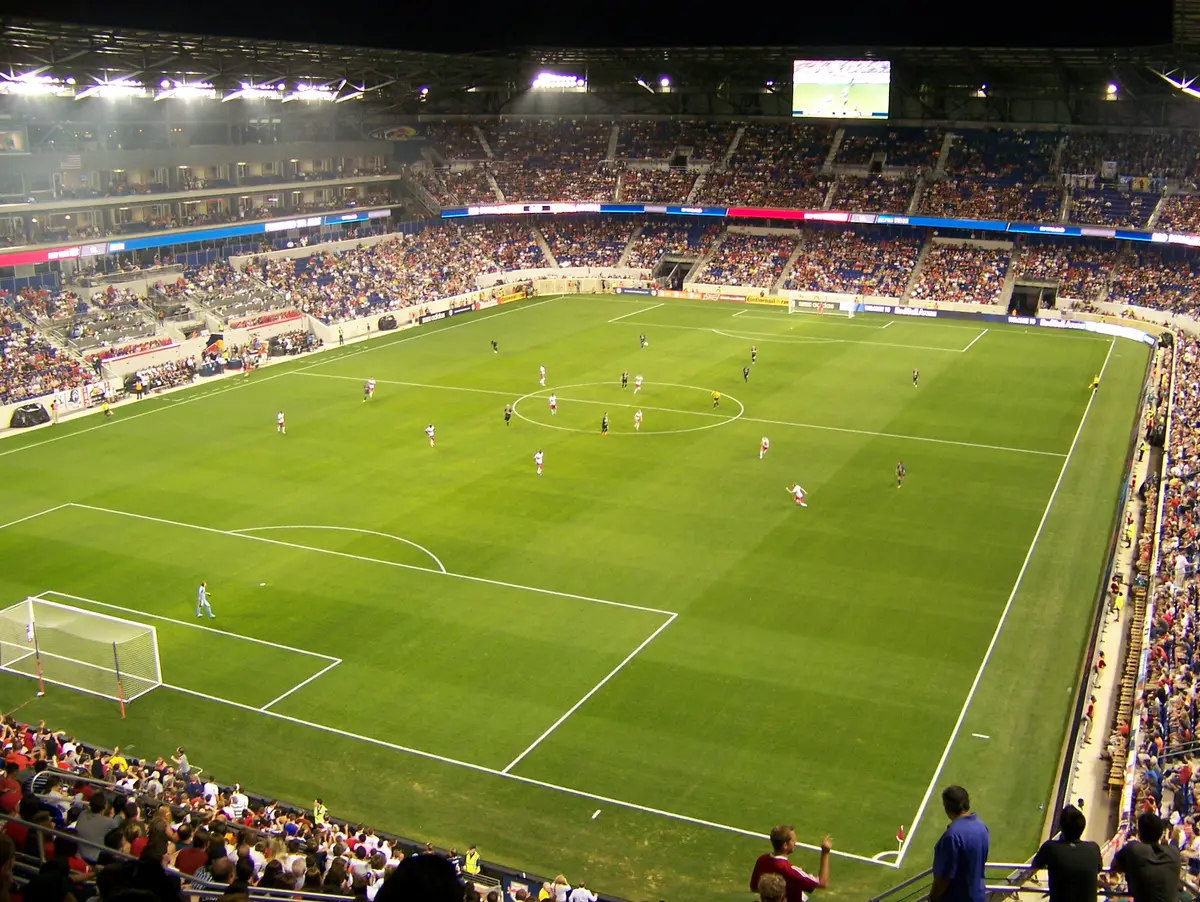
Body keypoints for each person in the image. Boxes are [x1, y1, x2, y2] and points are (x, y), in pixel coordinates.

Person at [930, 785, 989, 902]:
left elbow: (943, 877)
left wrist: (932, 898)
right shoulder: (982, 827)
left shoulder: (952, 837)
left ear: (947, 808)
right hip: (978, 896)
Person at [1031, 805, 1101, 902]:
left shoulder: (1050, 847)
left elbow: (1035, 865)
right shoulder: (1094, 848)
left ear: (1061, 827)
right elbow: (1098, 868)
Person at [1112, 811, 1181, 902]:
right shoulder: (1174, 852)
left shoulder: (1133, 849)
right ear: (1161, 833)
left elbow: (1114, 866)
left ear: (1139, 832)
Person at [750, 826, 831, 902]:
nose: (795, 842)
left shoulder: (762, 860)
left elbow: (754, 888)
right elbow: (822, 883)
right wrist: (825, 852)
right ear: (785, 845)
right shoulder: (791, 871)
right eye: (793, 840)